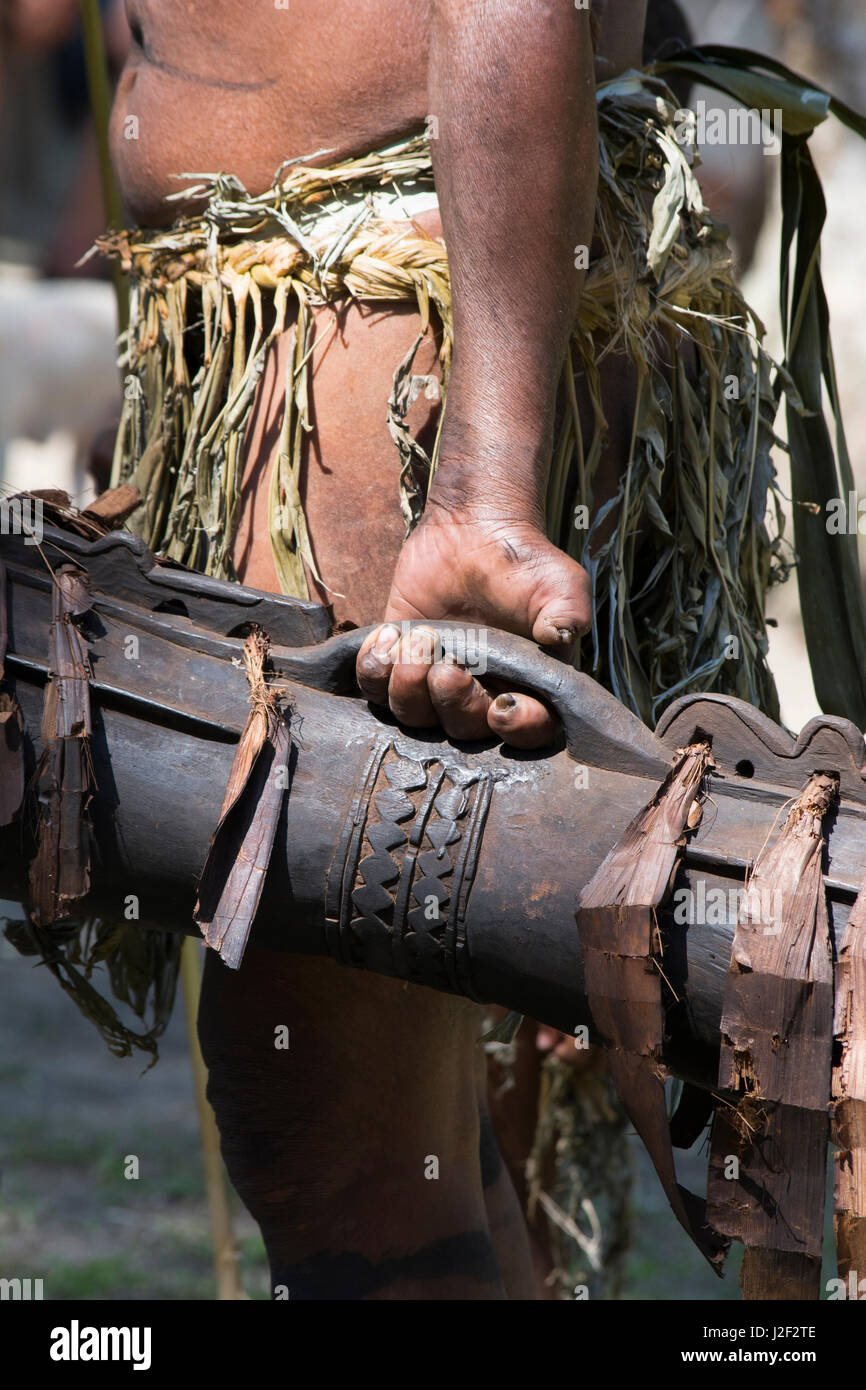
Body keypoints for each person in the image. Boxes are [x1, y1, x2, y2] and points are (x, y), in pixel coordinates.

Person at [100, 0, 780, 1298]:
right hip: (367, 317)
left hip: (397, 332)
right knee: (436, 1141)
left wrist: (477, 485)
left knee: (340, 1143)